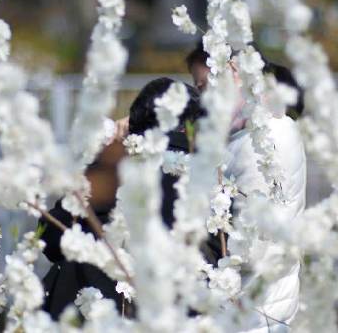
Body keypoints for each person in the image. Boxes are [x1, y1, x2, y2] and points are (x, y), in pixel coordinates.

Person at [39, 77, 217, 319]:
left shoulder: (112, 167)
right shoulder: (206, 179)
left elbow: (49, 237)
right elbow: (217, 256)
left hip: (94, 310)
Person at [185, 42, 307, 332]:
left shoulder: (262, 140)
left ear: (236, 71)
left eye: (205, 86)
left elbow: (252, 247)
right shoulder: (245, 135)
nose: (204, 99)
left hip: (256, 316)